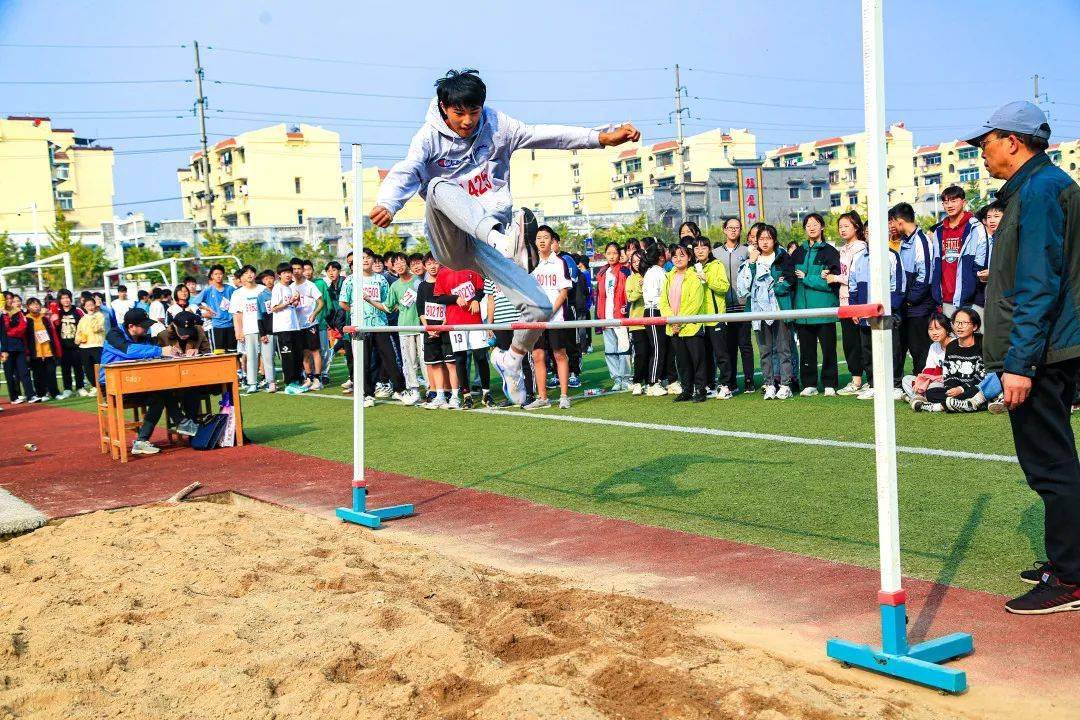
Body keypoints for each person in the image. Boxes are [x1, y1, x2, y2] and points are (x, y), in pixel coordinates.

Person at [369, 68, 639, 405]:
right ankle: (499, 238)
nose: (467, 121)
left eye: (474, 111)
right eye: (458, 113)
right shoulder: (428, 138)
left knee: (540, 308)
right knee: (438, 185)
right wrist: (389, 202)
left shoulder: (499, 127)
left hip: (485, 243)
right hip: (451, 239)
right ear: (443, 107)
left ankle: (510, 359)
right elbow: (408, 170)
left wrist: (600, 138)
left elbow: (546, 135)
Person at [969, 100, 1080, 613]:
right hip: (1052, 345)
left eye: (985, 141)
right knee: (1056, 464)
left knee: (1051, 467)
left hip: (1043, 351)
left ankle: (1071, 577)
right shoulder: (1044, 187)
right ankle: (1069, 560)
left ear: (1013, 141)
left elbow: (1038, 283)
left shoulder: (1038, 192)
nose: (982, 153)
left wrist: (1019, 363)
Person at [98, 308, 184, 455]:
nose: (147, 328)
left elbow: (153, 349)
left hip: (135, 383)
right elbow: (129, 351)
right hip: (112, 386)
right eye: (144, 325)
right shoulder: (114, 335)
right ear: (131, 326)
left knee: (165, 390)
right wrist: (160, 351)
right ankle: (182, 423)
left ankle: (180, 425)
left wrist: (170, 352)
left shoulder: (143, 336)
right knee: (161, 395)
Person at [847, 218, 906, 401]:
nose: (871, 236)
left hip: (886, 313)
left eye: (875, 231)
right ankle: (873, 384)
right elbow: (853, 286)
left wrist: (890, 308)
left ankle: (895, 384)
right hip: (865, 314)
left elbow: (899, 286)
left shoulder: (892, 256)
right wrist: (855, 310)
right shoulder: (858, 258)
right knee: (868, 350)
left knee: (892, 348)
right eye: (868, 232)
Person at [346, 248, 412, 407]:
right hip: (361, 327)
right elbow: (344, 302)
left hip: (381, 325)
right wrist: (358, 313)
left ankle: (399, 390)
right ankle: (367, 394)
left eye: (368, 257)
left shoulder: (381, 280)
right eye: (362, 258)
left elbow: (386, 302)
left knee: (390, 357)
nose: (366, 260)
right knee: (365, 361)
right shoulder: (351, 280)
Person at [737, 225, 795, 399]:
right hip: (758, 311)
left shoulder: (782, 257)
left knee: (784, 349)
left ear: (774, 240)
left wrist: (776, 287)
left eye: (768, 238)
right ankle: (769, 384)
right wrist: (753, 263)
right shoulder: (751, 261)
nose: (764, 242)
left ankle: (785, 384)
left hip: (779, 309)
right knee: (765, 350)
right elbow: (746, 286)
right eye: (761, 238)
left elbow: (789, 280)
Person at [790, 213, 841, 396]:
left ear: (822, 227)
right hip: (803, 312)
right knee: (806, 350)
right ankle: (809, 384)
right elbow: (790, 280)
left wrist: (808, 278)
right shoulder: (798, 252)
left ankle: (829, 384)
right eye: (808, 225)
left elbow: (832, 282)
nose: (811, 227)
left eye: (815, 224)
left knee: (828, 350)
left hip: (824, 310)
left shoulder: (830, 252)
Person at [526, 225, 574, 409]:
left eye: (546, 237)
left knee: (559, 354)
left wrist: (550, 312)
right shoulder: (533, 265)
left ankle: (563, 395)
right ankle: (543, 397)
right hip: (537, 319)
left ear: (552, 240)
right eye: (539, 238)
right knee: (538, 355)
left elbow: (563, 292)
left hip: (555, 318)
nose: (542, 241)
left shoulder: (559, 262)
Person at [891, 202, 939, 377]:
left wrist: (910, 299)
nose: (891, 226)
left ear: (900, 221)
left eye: (892, 222)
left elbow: (925, 276)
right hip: (908, 306)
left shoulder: (921, 241)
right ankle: (908, 383)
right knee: (904, 347)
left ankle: (924, 385)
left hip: (919, 307)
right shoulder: (906, 241)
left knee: (920, 349)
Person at [434, 260, 488, 409]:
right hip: (456, 323)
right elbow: (439, 297)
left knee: (481, 356)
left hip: (474, 321)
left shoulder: (471, 265)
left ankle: (486, 393)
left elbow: (481, 289)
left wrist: (477, 299)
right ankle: (466, 395)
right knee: (460, 359)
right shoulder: (443, 272)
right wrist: (455, 298)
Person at [930, 185, 989, 317]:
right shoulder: (939, 231)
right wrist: (936, 294)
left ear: (964, 202)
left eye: (954, 200)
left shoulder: (975, 228)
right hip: (944, 299)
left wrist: (969, 291)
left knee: (971, 337)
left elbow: (980, 265)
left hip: (970, 300)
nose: (949, 205)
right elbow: (936, 265)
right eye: (946, 202)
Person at [827, 212, 869, 396]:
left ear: (856, 227)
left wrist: (835, 277)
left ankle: (865, 380)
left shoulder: (860, 248)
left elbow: (856, 276)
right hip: (844, 301)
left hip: (857, 301)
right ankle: (857, 379)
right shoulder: (843, 248)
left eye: (846, 226)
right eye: (840, 226)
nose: (842, 229)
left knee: (862, 342)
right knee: (850, 343)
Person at [911, 308, 985, 413]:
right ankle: (962, 404)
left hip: (974, 386)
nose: (959, 326)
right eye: (957, 322)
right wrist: (952, 389)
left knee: (981, 389)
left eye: (964, 323)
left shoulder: (982, 344)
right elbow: (948, 374)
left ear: (975, 326)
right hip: (957, 389)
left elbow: (981, 375)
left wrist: (961, 389)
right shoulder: (951, 346)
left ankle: (939, 406)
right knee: (931, 393)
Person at [661, 244, 709, 402]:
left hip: (691, 325)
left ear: (689, 257)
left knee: (697, 359)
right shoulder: (669, 276)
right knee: (682, 361)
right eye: (675, 256)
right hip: (674, 327)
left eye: (682, 255)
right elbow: (664, 302)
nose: (678, 259)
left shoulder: (695, 276)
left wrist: (679, 321)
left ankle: (700, 390)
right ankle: (687, 390)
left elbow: (695, 303)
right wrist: (672, 320)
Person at [714, 217, 754, 393]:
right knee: (728, 347)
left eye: (737, 228)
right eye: (730, 227)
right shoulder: (715, 253)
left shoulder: (747, 251)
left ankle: (749, 380)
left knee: (745, 345)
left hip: (743, 305)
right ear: (724, 229)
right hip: (724, 307)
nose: (733, 231)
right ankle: (730, 382)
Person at [691, 237, 732, 399]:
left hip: (715, 317)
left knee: (721, 354)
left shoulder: (716, 265)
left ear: (709, 249)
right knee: (704, 355)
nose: (700, 250)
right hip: (698, 320)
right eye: (696, 248)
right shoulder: (692, 268)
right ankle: (709, 384)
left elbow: (724, 287)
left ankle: (726, 385)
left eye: (703, 247)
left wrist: (707, 279)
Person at [416, 254, 459, 408]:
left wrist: (442, 326)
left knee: (451, 363)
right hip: (430, 331)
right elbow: (420, 309)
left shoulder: (447, 282)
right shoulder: (422, 286)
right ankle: (439, 396)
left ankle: (455, 396)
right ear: (425, 266)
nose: (432, 266)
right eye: (429, 263)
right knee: (435, 364)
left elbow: (451, 307)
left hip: (446, 330)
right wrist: (428, 328)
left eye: (435, 263)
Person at [485, 275, 535, 407]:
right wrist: (490, 324)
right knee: (507, 363)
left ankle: (530, 394)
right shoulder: (489, 278)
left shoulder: (513, 271)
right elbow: (491, 301)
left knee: (524, 360)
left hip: (519, 323)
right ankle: (513, 396)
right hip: (500, 324)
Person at [386, 254, 427, 401]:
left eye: (402, 261)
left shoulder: (419, 280)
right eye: (395, 263)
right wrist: (368, 299)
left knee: (425, 359)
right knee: (409, 361)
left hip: (422, 327)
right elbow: (388, 306)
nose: (399, 265)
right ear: (392, 267)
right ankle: (414, 390)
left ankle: (431, 389)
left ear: (407, 263)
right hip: (405, 328)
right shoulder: (395, 286)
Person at [594, 242, 633, 392]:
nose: (611, 256)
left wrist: (625, 311)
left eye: (614, 253)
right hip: (606, 317)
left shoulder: (624, 272)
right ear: (605, 254)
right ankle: (616, 378)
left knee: (624, 348)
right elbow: (600, 297)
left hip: (620, 316)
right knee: (610, 350)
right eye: (609, 253)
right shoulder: (602, 273)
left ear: (619, 255)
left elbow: (627, 295)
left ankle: (626, 378)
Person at [231, 265, 271, 395]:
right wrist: (239, 331)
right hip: (249, 329)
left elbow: (268, 309)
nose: (249, 275)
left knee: (267, 356)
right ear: (242, 277)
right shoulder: (238, 293)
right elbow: (237, 315)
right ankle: (252, 383)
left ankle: (270, 381)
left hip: (265, 328)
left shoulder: (263, 289)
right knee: (251, 356)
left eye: (252, 272)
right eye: (246, 273)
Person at [289, 258, 325, 391]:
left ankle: (318, 378)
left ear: (303, 270)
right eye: (294, 269)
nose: (296, 271)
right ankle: (309, 378)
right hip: (298, 325)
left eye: (299, 268)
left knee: (315, 351)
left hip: (310, 324)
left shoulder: (310, 285)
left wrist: (314, 313)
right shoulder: (290, 287)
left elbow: (321, 302)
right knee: (304, 353)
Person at [270, 262, 305, 394]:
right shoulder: (277, 288)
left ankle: (296, 381)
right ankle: (289, 383)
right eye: (285, 273)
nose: (288, 275)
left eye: (289, 272)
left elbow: (291, 306)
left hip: (294, 326)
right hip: (283, 328)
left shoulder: (290, 288)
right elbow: (274, 308)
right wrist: (289, 302)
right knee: (288, 357)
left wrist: (295, 302)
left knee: (297, 354)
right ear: (279, 275)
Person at [901, 312, 951, 405]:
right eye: (930, 329)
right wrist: (922, 381)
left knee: (934, 387)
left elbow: (951, 374)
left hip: (947, 381)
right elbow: (928, 368)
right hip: (932, 380)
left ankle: (915, 398)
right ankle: (921, 398)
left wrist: (931, 380)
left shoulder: (955, 345)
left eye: (938, 329)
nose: (934, 333)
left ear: (947, 329)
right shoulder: (934, 346)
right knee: (907, 380)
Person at [24, 297, 61, 403]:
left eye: (37, 304)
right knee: (38, 374)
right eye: (32, 304)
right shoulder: (26, 319)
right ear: (28, 307)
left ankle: (55, 393)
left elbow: (53, 334)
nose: (35, 306)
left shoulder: (45, 318)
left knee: (51, 373)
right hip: (35, 352)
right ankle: (41, 393)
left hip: (48, 350)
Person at [193, 264, 237, 354]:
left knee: (233, 353)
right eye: (216, 274)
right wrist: (207, 308)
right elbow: (195, 302)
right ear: (212, 276)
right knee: (219, 353)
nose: (218, 276)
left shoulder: (230, 289)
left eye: (220, 274)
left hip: (231, 324)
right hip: (217, 325)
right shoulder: (208, 290)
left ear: (223, 275)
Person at [1, 294, 33, 404]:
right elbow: (3, 329)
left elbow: (23, 326)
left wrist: (9, 333)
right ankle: (14, 397)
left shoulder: (17, 312)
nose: (9, 301)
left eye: (11, 299)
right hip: (5, 347)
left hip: (19, 345)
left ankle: (30, 395)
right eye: (7, 299)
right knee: (9, 374)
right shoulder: (2, 314)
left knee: (24, 371)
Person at [55, 289, 85, 399]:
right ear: (60, 300)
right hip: (63, 346)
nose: (66, 300)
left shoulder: (77, 311)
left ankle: (80, 387)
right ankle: (67, 388)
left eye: (67, 297)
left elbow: (84, 325)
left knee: (78, 367)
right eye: (63, 298)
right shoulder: (57, 312)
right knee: (65, 368)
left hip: (76, 345)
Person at [974, 200, 1004, 309]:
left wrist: (993, 273)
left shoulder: (1008, 239)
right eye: (989, 217)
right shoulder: (992, 239)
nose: (991, 220)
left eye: (996, 216)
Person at [73, 295, 105, 398]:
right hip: (84, 347)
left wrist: (92, 316)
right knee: (88, 370)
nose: (90, 307)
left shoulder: (99, 315)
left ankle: (103, 387)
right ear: (84, 307)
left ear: (95, 306)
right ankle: (95, 386)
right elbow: (79, 331)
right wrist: (78, 339)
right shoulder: (83, 318)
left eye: (92, 304)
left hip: (97, 345)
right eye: (87, 305)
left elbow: (97, 328)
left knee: (100, 368)